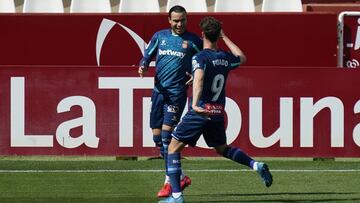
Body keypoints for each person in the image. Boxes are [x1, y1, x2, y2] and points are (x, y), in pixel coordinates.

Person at [158, 16, 273, 203]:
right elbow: (242, 57)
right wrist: (225, 38)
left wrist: (195, 104)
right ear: (218, 34)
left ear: (202, 34)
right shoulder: (225, 58)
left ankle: (177, 196)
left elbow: (201, 79)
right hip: (218, 112)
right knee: (222, 148)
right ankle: (255, 165)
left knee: (172, 148)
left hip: (201, 111)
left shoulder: (200, 57)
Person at [138, 5, 203, 198]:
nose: (179, 24)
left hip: (176, 94)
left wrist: (196, 74)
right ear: (169, 20)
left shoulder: (193, 41)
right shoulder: (160, 36)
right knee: (158, 138)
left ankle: (169, 180)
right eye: (175, 20)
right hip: (159, 92)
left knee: (167, 137)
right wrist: (142, 66)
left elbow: (203, 61)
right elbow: (146, 56)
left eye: (182, 20)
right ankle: (180, 176)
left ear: (186, 19)